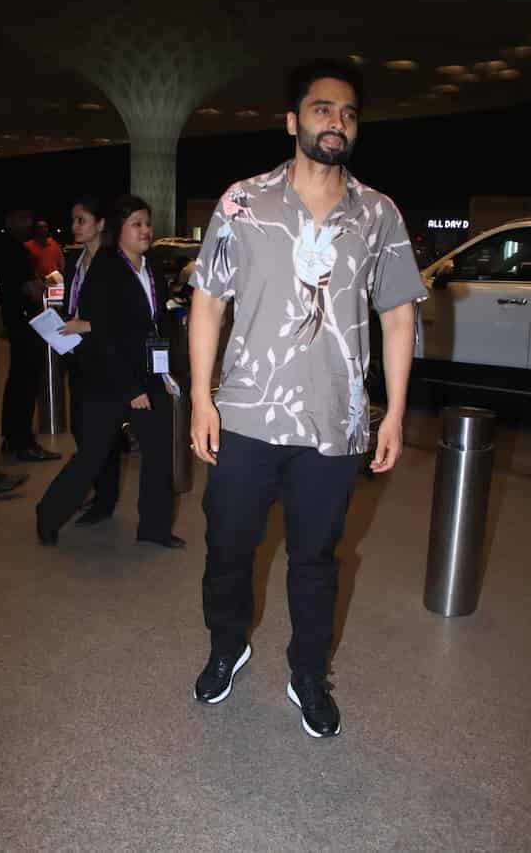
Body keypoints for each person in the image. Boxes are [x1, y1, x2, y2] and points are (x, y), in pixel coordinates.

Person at [188, 59, 427, 738]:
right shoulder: (242, 200)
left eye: (348, 113)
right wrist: (203, 400)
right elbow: (207, 300)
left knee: (316, 560)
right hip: (244, 415)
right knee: (228, 548)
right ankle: (226, 644)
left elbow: (399, 315)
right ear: (293, 121)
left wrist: (396, 412)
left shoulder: (378, 213)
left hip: (336, 423)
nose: (336, 123)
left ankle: (306, 672)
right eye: (322, 110)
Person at [36, 195, 185, 549]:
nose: (145, 230)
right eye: (137, 224)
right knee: (94, 454)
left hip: (148, 374)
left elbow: (155, 325)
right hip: (112, 380)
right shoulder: (105, 270)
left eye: (147, 223)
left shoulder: (150, 270)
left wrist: (164, 372)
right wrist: (130, 387)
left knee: (159, 452)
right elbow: (103, 335)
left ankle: (154, 527)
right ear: (119, 229)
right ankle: (48, 513)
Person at [58, 195, 122, 525]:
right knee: (81, 428)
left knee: (102, 432)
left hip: (106, 358)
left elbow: (125, 318)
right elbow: (73, 305)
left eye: (81, 219)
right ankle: (96, 489)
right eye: (73, 220)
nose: (74, 227)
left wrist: (88, 325)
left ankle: (105, 499)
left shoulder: (113, 264)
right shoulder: (74, 262)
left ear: (99, 224)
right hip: (78, 355)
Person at [0, 206, 61, 462]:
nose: (29, 223)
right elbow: (32, 289)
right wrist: (43, 286)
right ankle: (23, 442)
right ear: (9, 219)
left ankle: (12, 438)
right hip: (26, 323)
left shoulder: (4, 246)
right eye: (23, 218)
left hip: (14, 323)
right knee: (26, 382)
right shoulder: (15, 250)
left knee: (16, 381)